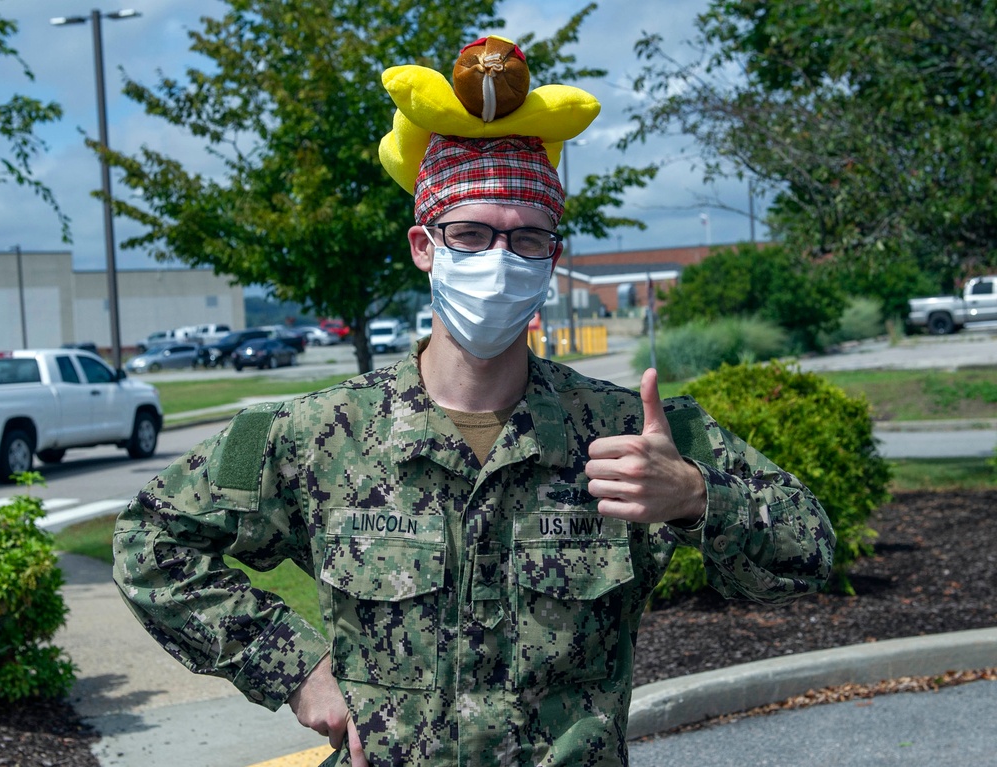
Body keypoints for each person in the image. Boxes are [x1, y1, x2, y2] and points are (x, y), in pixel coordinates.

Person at [113, 37, 834, 767]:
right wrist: (291, 667)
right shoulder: (317, 434)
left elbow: (808, 556)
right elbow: (150, 540)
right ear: (425, 246)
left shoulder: (630, 434)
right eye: (471, 233)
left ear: (553, 258)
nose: (499, 258)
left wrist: (692, 497)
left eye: (526, 238)